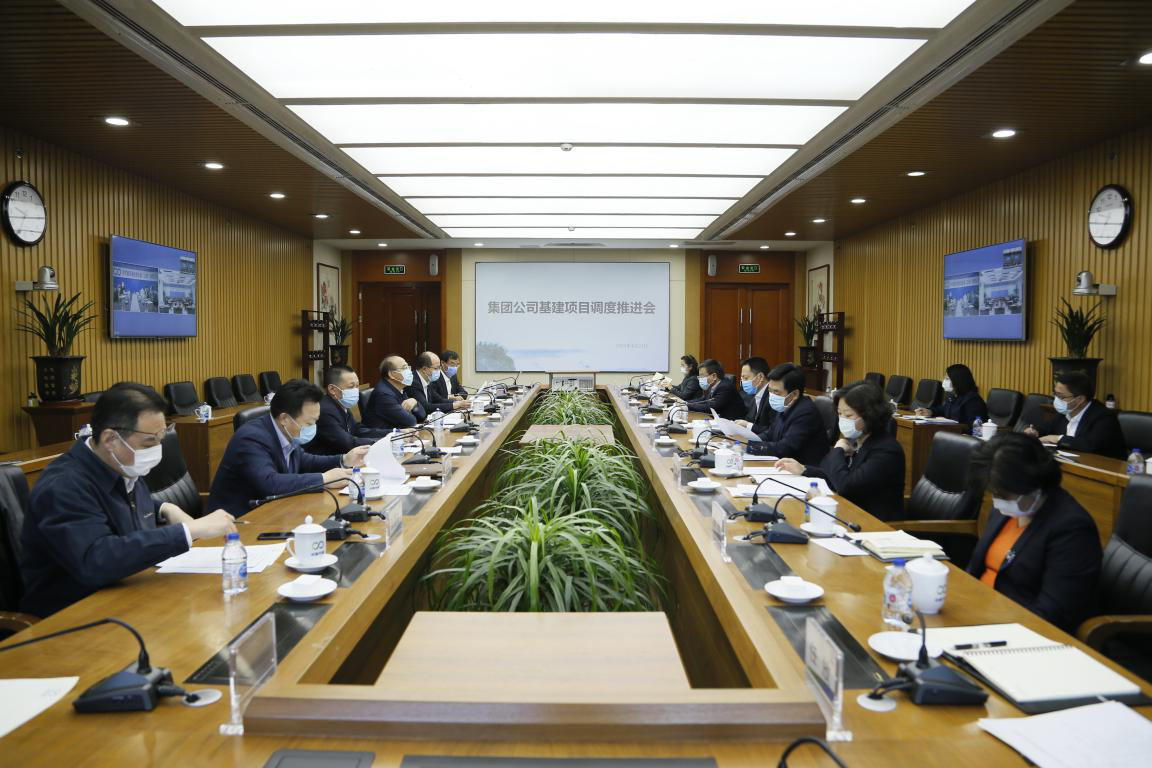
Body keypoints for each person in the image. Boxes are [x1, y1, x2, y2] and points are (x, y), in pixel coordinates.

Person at [19, 383, 236, 617]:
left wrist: (164, 507)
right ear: (110, 439)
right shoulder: (64, 486)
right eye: (149, 442)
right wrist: (187, 531)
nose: (158, 449)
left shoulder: (120, 465)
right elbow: (96, 560)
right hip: (71, 616)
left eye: (161, 438)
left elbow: (117, 503)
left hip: (127, 593)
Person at [966, 432, 1102, 632]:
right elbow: (976, 569)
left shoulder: (1073, 529)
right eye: (995, 494)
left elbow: (1053, 613)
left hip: (1020, 629)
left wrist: (991, 625)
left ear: (1034, 484)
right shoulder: (1009, 509)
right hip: (978, 611)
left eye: (1004, 495)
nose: (998, 502)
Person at [208, 379, 368, 517]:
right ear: (284, 418)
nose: (313, 427)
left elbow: (305, 461)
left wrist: (344, 459)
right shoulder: (251, 438)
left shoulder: (285, 431)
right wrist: (324, 479)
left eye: (315, 421)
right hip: (238, 521)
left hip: (275, 512)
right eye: (309, 423)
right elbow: (270, 483)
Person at [776, 380, 905, 521]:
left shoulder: (886, 450)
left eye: (848, 415)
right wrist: (804, 470)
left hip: (875, 524)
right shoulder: (858, 441)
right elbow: (834, 474)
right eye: (839, 413)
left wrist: (838, 450)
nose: (842, 420)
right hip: (852, 514)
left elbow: (846, 486)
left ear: (870, 415)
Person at [1024, 371, 1125, 459]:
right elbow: (1047, 428)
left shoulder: (1104, 417)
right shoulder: (1065, 412)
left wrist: (1057, 439)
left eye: (1061, 396)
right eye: (1055, 394)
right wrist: (1035, 432)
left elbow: (1091, 446)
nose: (1056, 400)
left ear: (1080, 399)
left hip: (1102, 469)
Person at [749, 362, 830, 465]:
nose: (771, 396)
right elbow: (770, 434)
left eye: (776, 392)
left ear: (794, 394)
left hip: (803, 470)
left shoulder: (805, 413)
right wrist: (745, 441)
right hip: (783, 464)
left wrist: (751, 447)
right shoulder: (785, 405)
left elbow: (784, 448)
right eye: (770, 391)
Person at [307, 365, 389, 456]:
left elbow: (356, 430)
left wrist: (391, 433)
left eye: (357, 386)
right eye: (351, 386)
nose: (356, 390)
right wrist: (382, 442)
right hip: (328, 461)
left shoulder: (340, 403)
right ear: (332, 389)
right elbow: (348, 443)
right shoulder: (325, 411)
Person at [914, 363, 988, 431]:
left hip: (962, 438)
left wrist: (950, 424)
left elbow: (975, 429)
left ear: (958, 380)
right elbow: (943, 410)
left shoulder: (973, 401)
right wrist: (930, 411)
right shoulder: (953, 396)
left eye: (947, 379)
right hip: (950, 434)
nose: (944, 381)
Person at [363, 355, 426, 430]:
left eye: (408, 367)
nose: (409, 371)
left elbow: (422, 416)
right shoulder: (384, 394)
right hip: (383, 436)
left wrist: (415, 402)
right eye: (404, 368)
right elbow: (410, 421)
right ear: (391, 374)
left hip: (400, 433)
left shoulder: (399, 388)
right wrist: (412, 410)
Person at [406, 351, 470, 417]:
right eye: (436, 368)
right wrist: (455, 405)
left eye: (439, 367)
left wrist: (459, 403)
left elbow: (439, 400)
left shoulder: (428, 380)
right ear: (424, 369)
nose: (439, 371)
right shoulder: (413, 382)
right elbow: (426, 407)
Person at [735, 356, 774, 436]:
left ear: (760, 377)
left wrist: (747, 425)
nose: (743, 382)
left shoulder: (773, 397)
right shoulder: (755, 395)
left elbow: (773, 431)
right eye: (742, 379)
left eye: (746, 378)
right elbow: (749, 420)